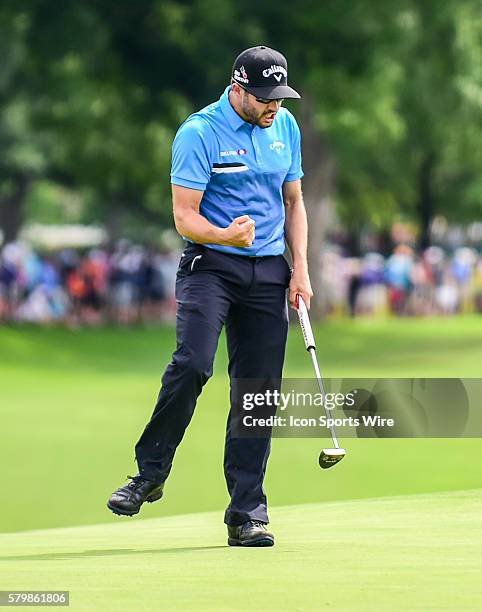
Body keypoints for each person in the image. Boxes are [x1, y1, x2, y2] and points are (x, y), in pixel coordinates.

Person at [107, 46, 313, 547]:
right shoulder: (199, 132)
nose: (274, 108)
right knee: (193, 363)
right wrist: (226, 236)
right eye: (265, 98)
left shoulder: (284, 127)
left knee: (257, 391)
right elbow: (185, 218)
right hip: (211, 267)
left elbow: (294, 200)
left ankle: (247, 513)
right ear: (237, 89)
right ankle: (149, 472)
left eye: (280, 98)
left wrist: (300, 268)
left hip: (268, 272)